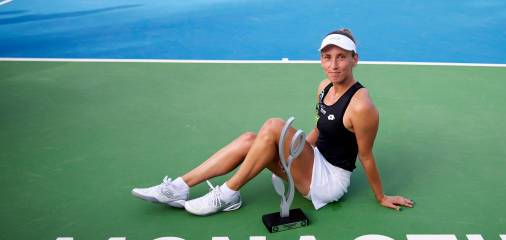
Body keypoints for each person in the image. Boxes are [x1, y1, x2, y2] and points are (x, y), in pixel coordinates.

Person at [132, 29, 414, 215]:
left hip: (330, 182)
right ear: (321, 60)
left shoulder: (362, 105)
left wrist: (380, 196)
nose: (334, 65)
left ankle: (228, 193)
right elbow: (319, 130)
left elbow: (365, 156)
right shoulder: (324, 87)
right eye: (327, 58)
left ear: (355, 59)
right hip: (314, 160)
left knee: (273, 126)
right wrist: (289, 154)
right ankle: (179, 186)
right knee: (249, 140)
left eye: (341, 58)